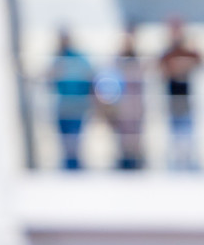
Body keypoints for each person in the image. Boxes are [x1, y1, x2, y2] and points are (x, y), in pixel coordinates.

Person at [95, 26, 146, 170]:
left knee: (135, 142)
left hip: (135, 109)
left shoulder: (139, 61)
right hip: (119, 110)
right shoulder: (115, 63)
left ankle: (135, 165)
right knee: (120, 141)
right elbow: (107, 84)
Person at [48, 29, 93, 171]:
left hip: (77, 104)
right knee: (64, 138)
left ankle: (75, 165)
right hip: (62, 105)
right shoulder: (57, 59)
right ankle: (68, 164)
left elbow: (89, 78)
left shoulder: (78, 59)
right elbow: (50, 80)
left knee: (75, 138)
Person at [160, 16, 201, 171]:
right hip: (171, 98)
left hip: (187, 98)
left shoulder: (188, 50)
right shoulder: (167, 51)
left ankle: (189, 162)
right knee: (173, 133)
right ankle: (175, 163)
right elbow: (164, 70)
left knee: (188, 132)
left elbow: (196, 62)